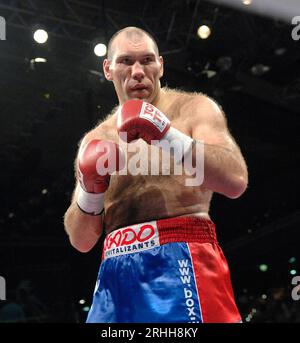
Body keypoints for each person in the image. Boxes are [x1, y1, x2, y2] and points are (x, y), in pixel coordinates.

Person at [64, 26, 248, 323]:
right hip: (115, 276)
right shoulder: (95, 139)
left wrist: (167, 135)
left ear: (160, 64)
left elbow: (236, 180)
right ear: (108, 69)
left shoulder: (194, 109)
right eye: (126, 61)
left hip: (184, 260)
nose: (138, 71)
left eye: (147, 60)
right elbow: (81, 240)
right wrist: (90, 187)